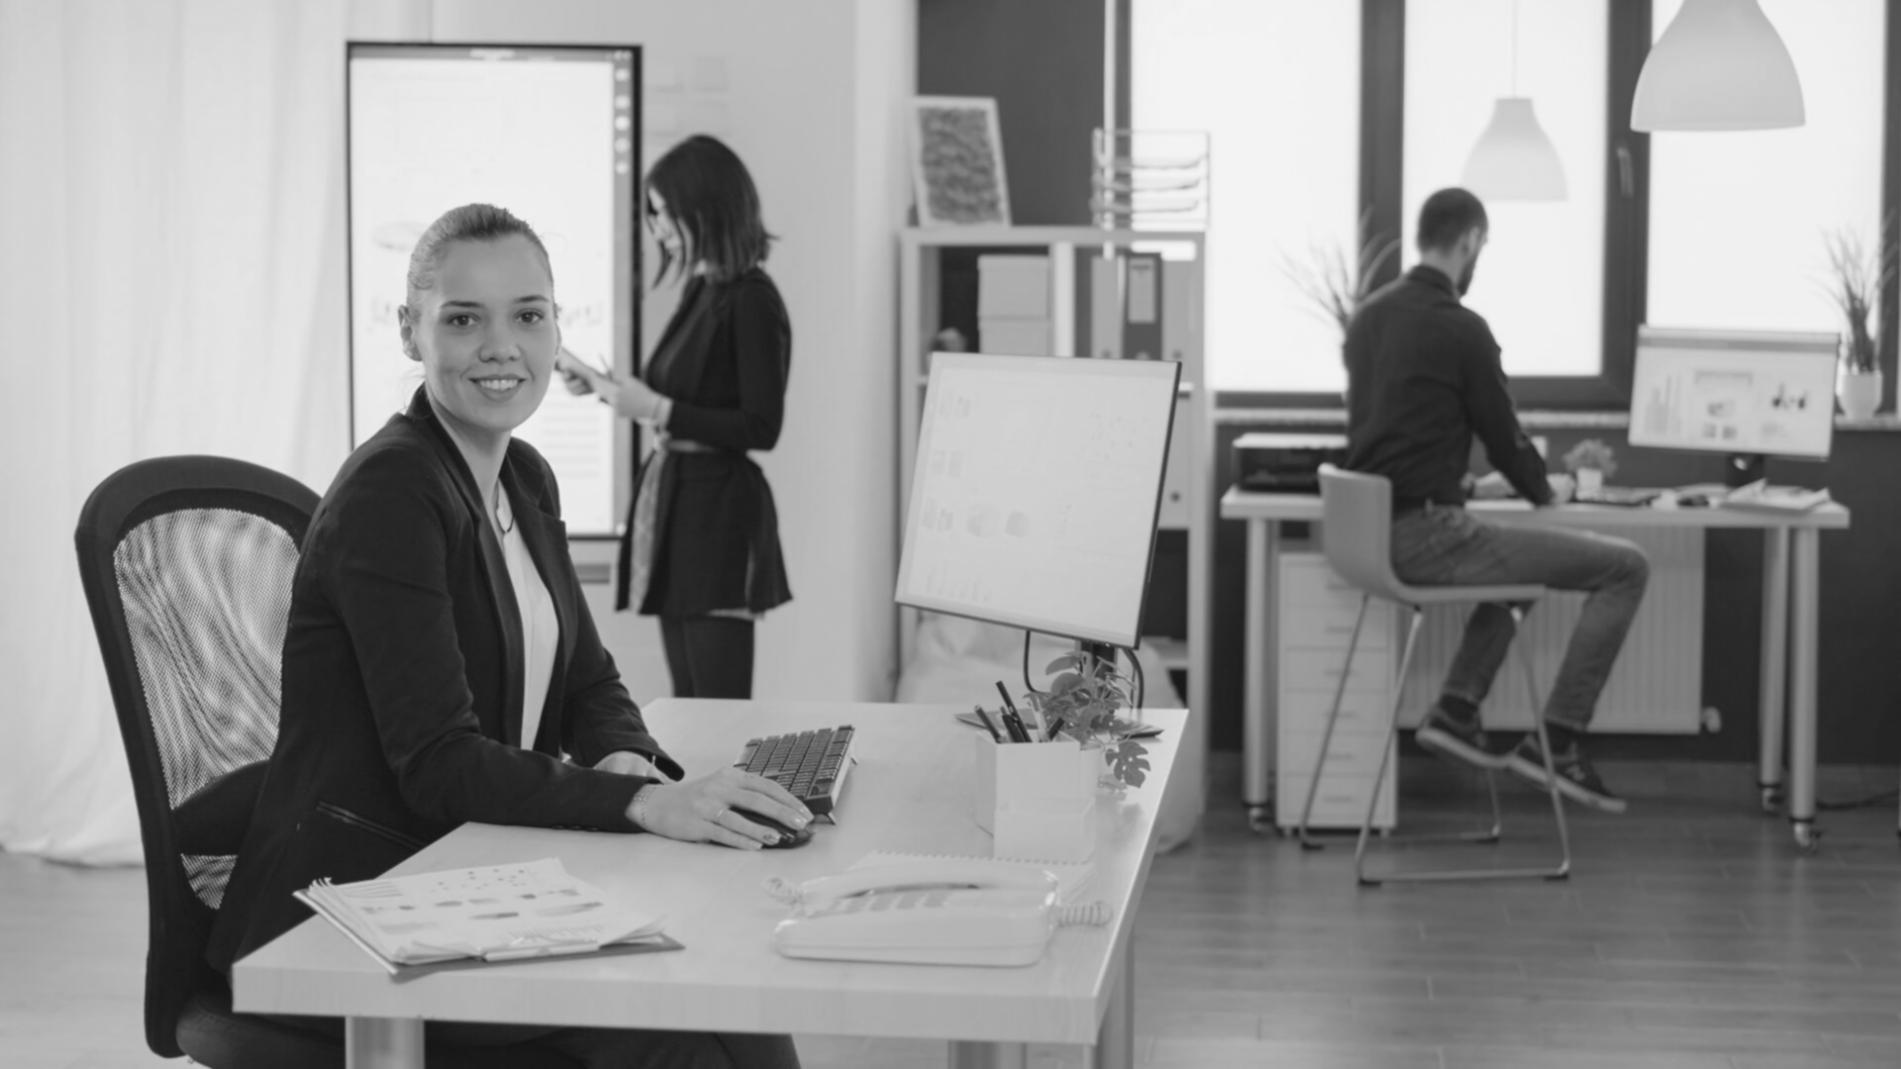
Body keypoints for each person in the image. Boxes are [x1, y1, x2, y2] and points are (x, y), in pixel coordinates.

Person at [206, 203, 806, 1068]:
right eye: (462, 318)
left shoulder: (522, 475)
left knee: (729, 1006)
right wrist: (641, 806)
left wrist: (625, 761)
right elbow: (440, 758)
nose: (501, 346)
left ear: (557, 328)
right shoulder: (392, 493)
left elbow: (589, 682)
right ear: (411, 333)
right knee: (688, 1036)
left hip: (462, 876)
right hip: (349, 911)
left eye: (528, 315)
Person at [1342, 187, 1650, 813]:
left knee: (1518, 570)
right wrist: (1544, 490)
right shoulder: (1462, 328)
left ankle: (1457, 709)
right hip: (1430, 535)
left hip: (1379, 532)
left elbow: (1385, 439)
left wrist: (1463, 488)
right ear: (1470, 241)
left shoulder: (1368, 318)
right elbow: (1506, 439)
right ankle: (1557, 743)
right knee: (1626, 566)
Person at [557, 134, 791, 701]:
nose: (655, 227)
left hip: (718, 518)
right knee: (689, 705)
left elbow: (761, 428)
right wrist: (610, 391)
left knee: (716, 706)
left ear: (702, 208)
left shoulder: (753, 299)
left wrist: (656, 408)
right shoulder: (703, 290)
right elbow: (681, 399)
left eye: (661, 212)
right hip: (680, 511)